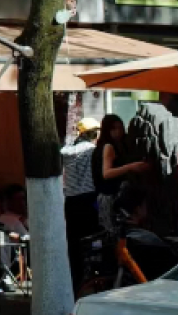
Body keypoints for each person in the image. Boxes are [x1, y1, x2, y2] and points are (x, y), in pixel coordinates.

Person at [61, 118, 100, 287]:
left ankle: (75, 279)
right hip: (90, 199)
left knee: (74, 243)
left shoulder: (66, 152)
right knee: (93, 240)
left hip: (71, 202)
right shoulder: (94, 151)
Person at [92, 114, 147, 229]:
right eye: (115, 128)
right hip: (110, 196)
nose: (120, 131)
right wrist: (131, 166)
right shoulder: (108, 147)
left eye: (121, 127)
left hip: (110, 196)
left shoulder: (114, 145)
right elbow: (106, 173)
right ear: (108, 130)